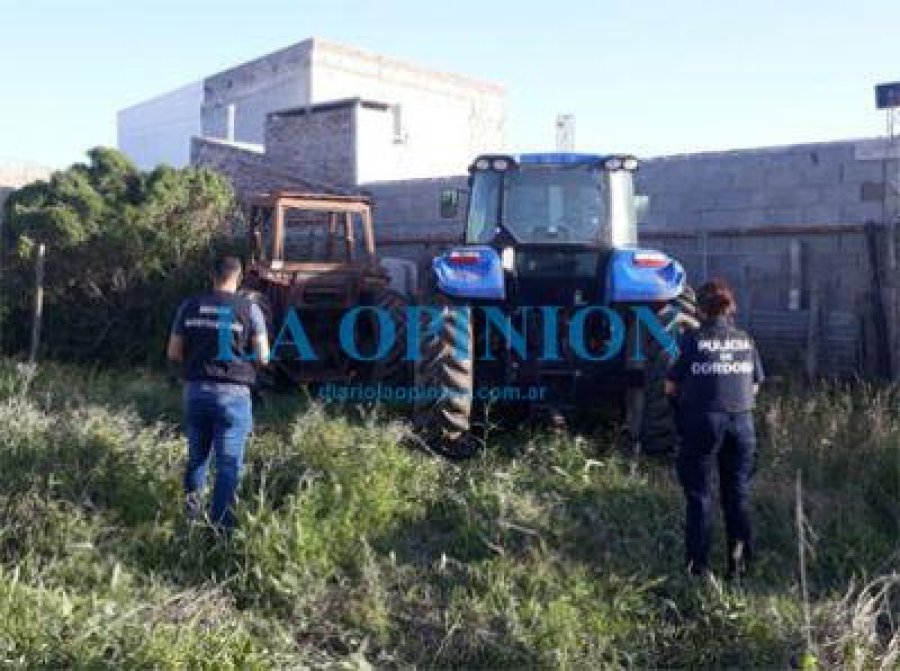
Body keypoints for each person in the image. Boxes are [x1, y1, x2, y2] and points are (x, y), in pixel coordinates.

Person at [665, 278, 764, 579]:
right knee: (737, 495)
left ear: (699, 310)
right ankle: (740, 568)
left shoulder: (692, 340)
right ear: (729, 308)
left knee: (700, 496)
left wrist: (683, 413)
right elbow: (756, 384)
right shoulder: (745, 340)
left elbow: (670, 386)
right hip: (742, 424)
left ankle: (698, 571)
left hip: (704, 423)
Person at [167, 256, 269, 529]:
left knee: (197, 458)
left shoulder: (189, 306)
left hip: (196, 393)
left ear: (212, 276)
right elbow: (264, 356)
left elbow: (174, 352)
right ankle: (221, 529)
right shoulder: (250, 309)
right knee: (228, 464)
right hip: (233, 397)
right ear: (239, 277)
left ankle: (191, 520)